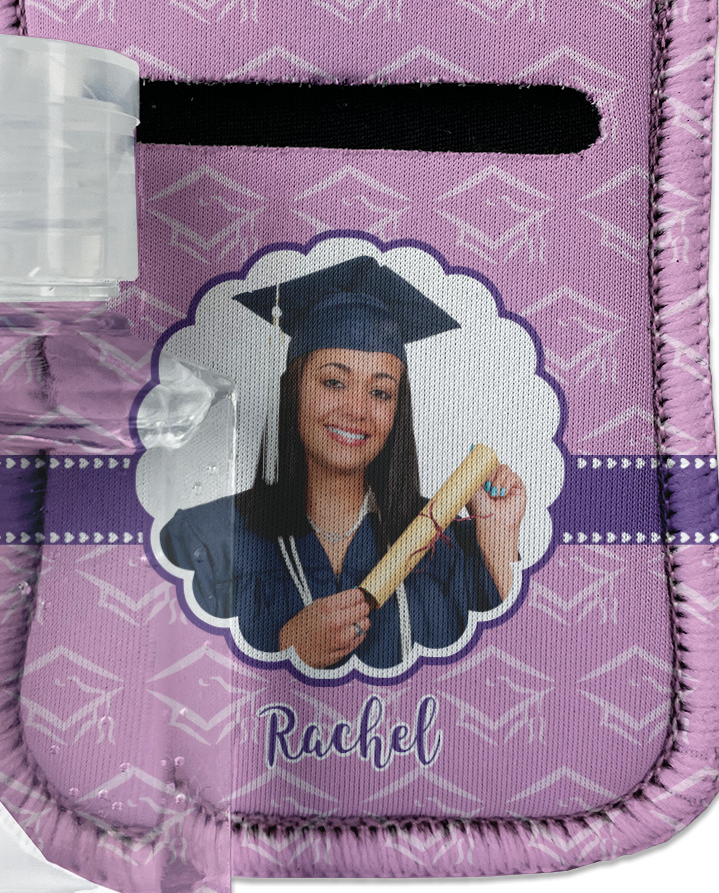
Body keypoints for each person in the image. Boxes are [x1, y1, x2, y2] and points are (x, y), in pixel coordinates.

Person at [159, 255, 525, 671]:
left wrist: (498, 539)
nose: (356, 410)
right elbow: (171, 673)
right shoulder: (207, 539)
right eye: (333, 382)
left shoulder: (445, 547)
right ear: (294, 391)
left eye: (380, 392)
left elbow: (500, 673)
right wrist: (284, 645)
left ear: (397, 411)